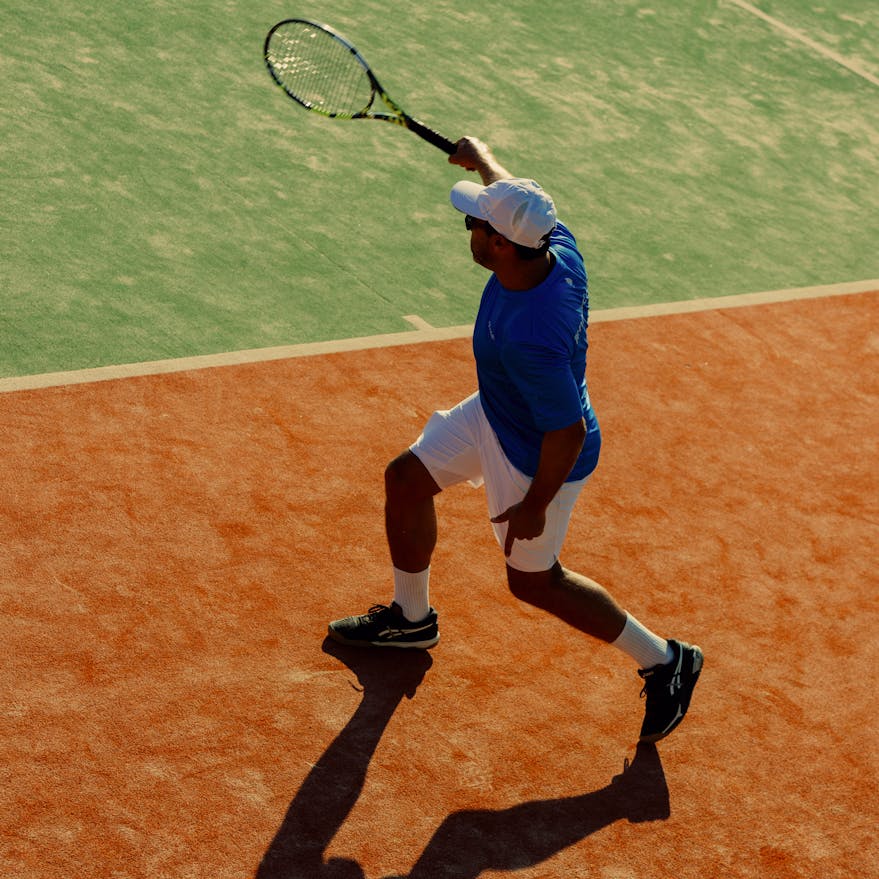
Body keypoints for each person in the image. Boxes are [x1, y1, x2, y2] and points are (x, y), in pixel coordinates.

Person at [328, 137, 702, 743]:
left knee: (532, 581)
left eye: (473, 224)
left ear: (499, 244)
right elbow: (524, 202)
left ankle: (666, 660)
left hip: (538, 453)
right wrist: (482, 160)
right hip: (499, 412)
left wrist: (532, 505)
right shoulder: (553, 244)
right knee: (406, 479)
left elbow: (567, 429)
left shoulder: (532, 333)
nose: (467, 231)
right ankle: (411, 618)